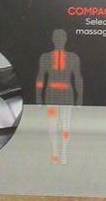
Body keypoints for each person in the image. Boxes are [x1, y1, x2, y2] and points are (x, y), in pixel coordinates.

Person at [35, 29, 83, 164]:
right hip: (52, 95)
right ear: (53, 40)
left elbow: (78, 78)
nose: (59, 41)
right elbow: (40, 77)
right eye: (57, 38)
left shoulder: (73, 57)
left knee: (66, 124)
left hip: (67, 95)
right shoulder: (46, 57)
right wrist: (38, 96)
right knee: (52, 124)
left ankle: (63, 153)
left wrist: (79, 98)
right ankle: (55, 152)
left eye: (61, 38)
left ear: (65, 40)